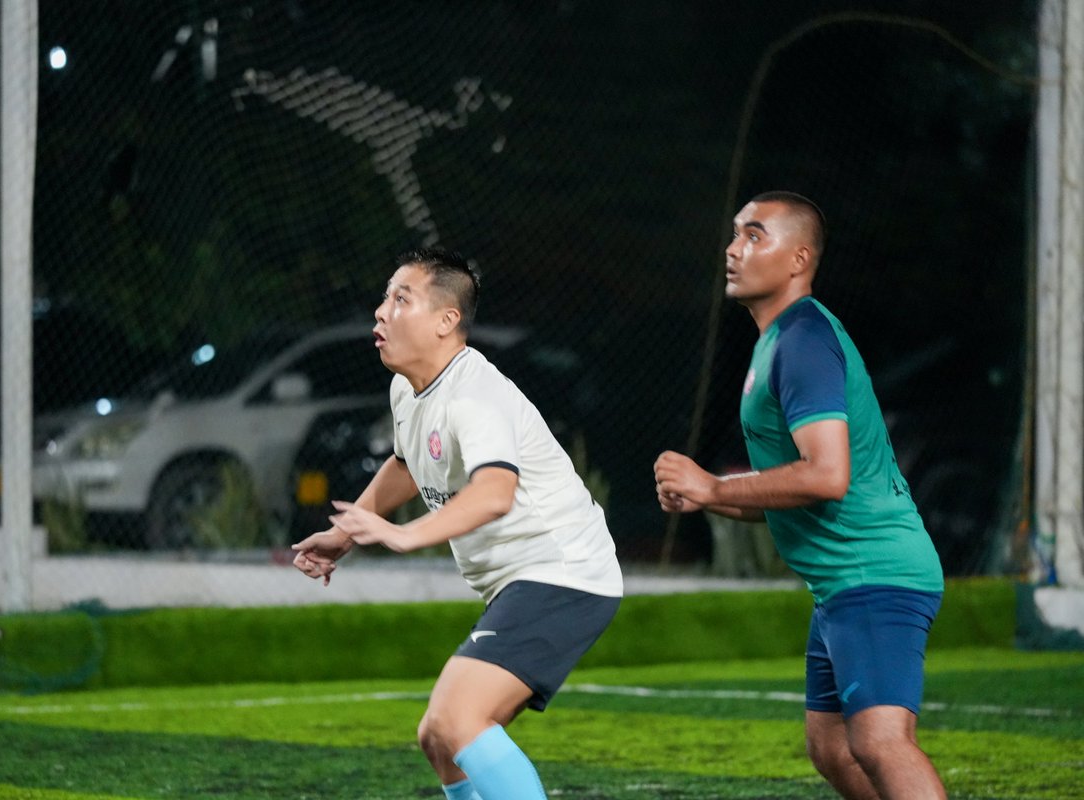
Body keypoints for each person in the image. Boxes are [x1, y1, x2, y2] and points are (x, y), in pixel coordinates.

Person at [292, 247, 623, 800]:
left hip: (563, 573)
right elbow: (405, 462)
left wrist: (404, 534)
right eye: (384, 296)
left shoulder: (475, 395)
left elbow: (495, 492)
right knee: (438, 740)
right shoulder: (409, 388)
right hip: (526, 581)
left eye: (401, 298)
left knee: (458, 719)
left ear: (448, 321)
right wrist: (346, 535)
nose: (381, 312)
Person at [654, 191, 946, 800]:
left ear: (798, 259)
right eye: (735, 234)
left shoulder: (803, 341)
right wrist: (709, 498)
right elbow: (796, 493)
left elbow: (825, 475)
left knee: (879, 742)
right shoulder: (777, 341)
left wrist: (711, 483)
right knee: (833, 749)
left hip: (872, 570)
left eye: (755, 235)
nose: (734, 249)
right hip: (842, 581)